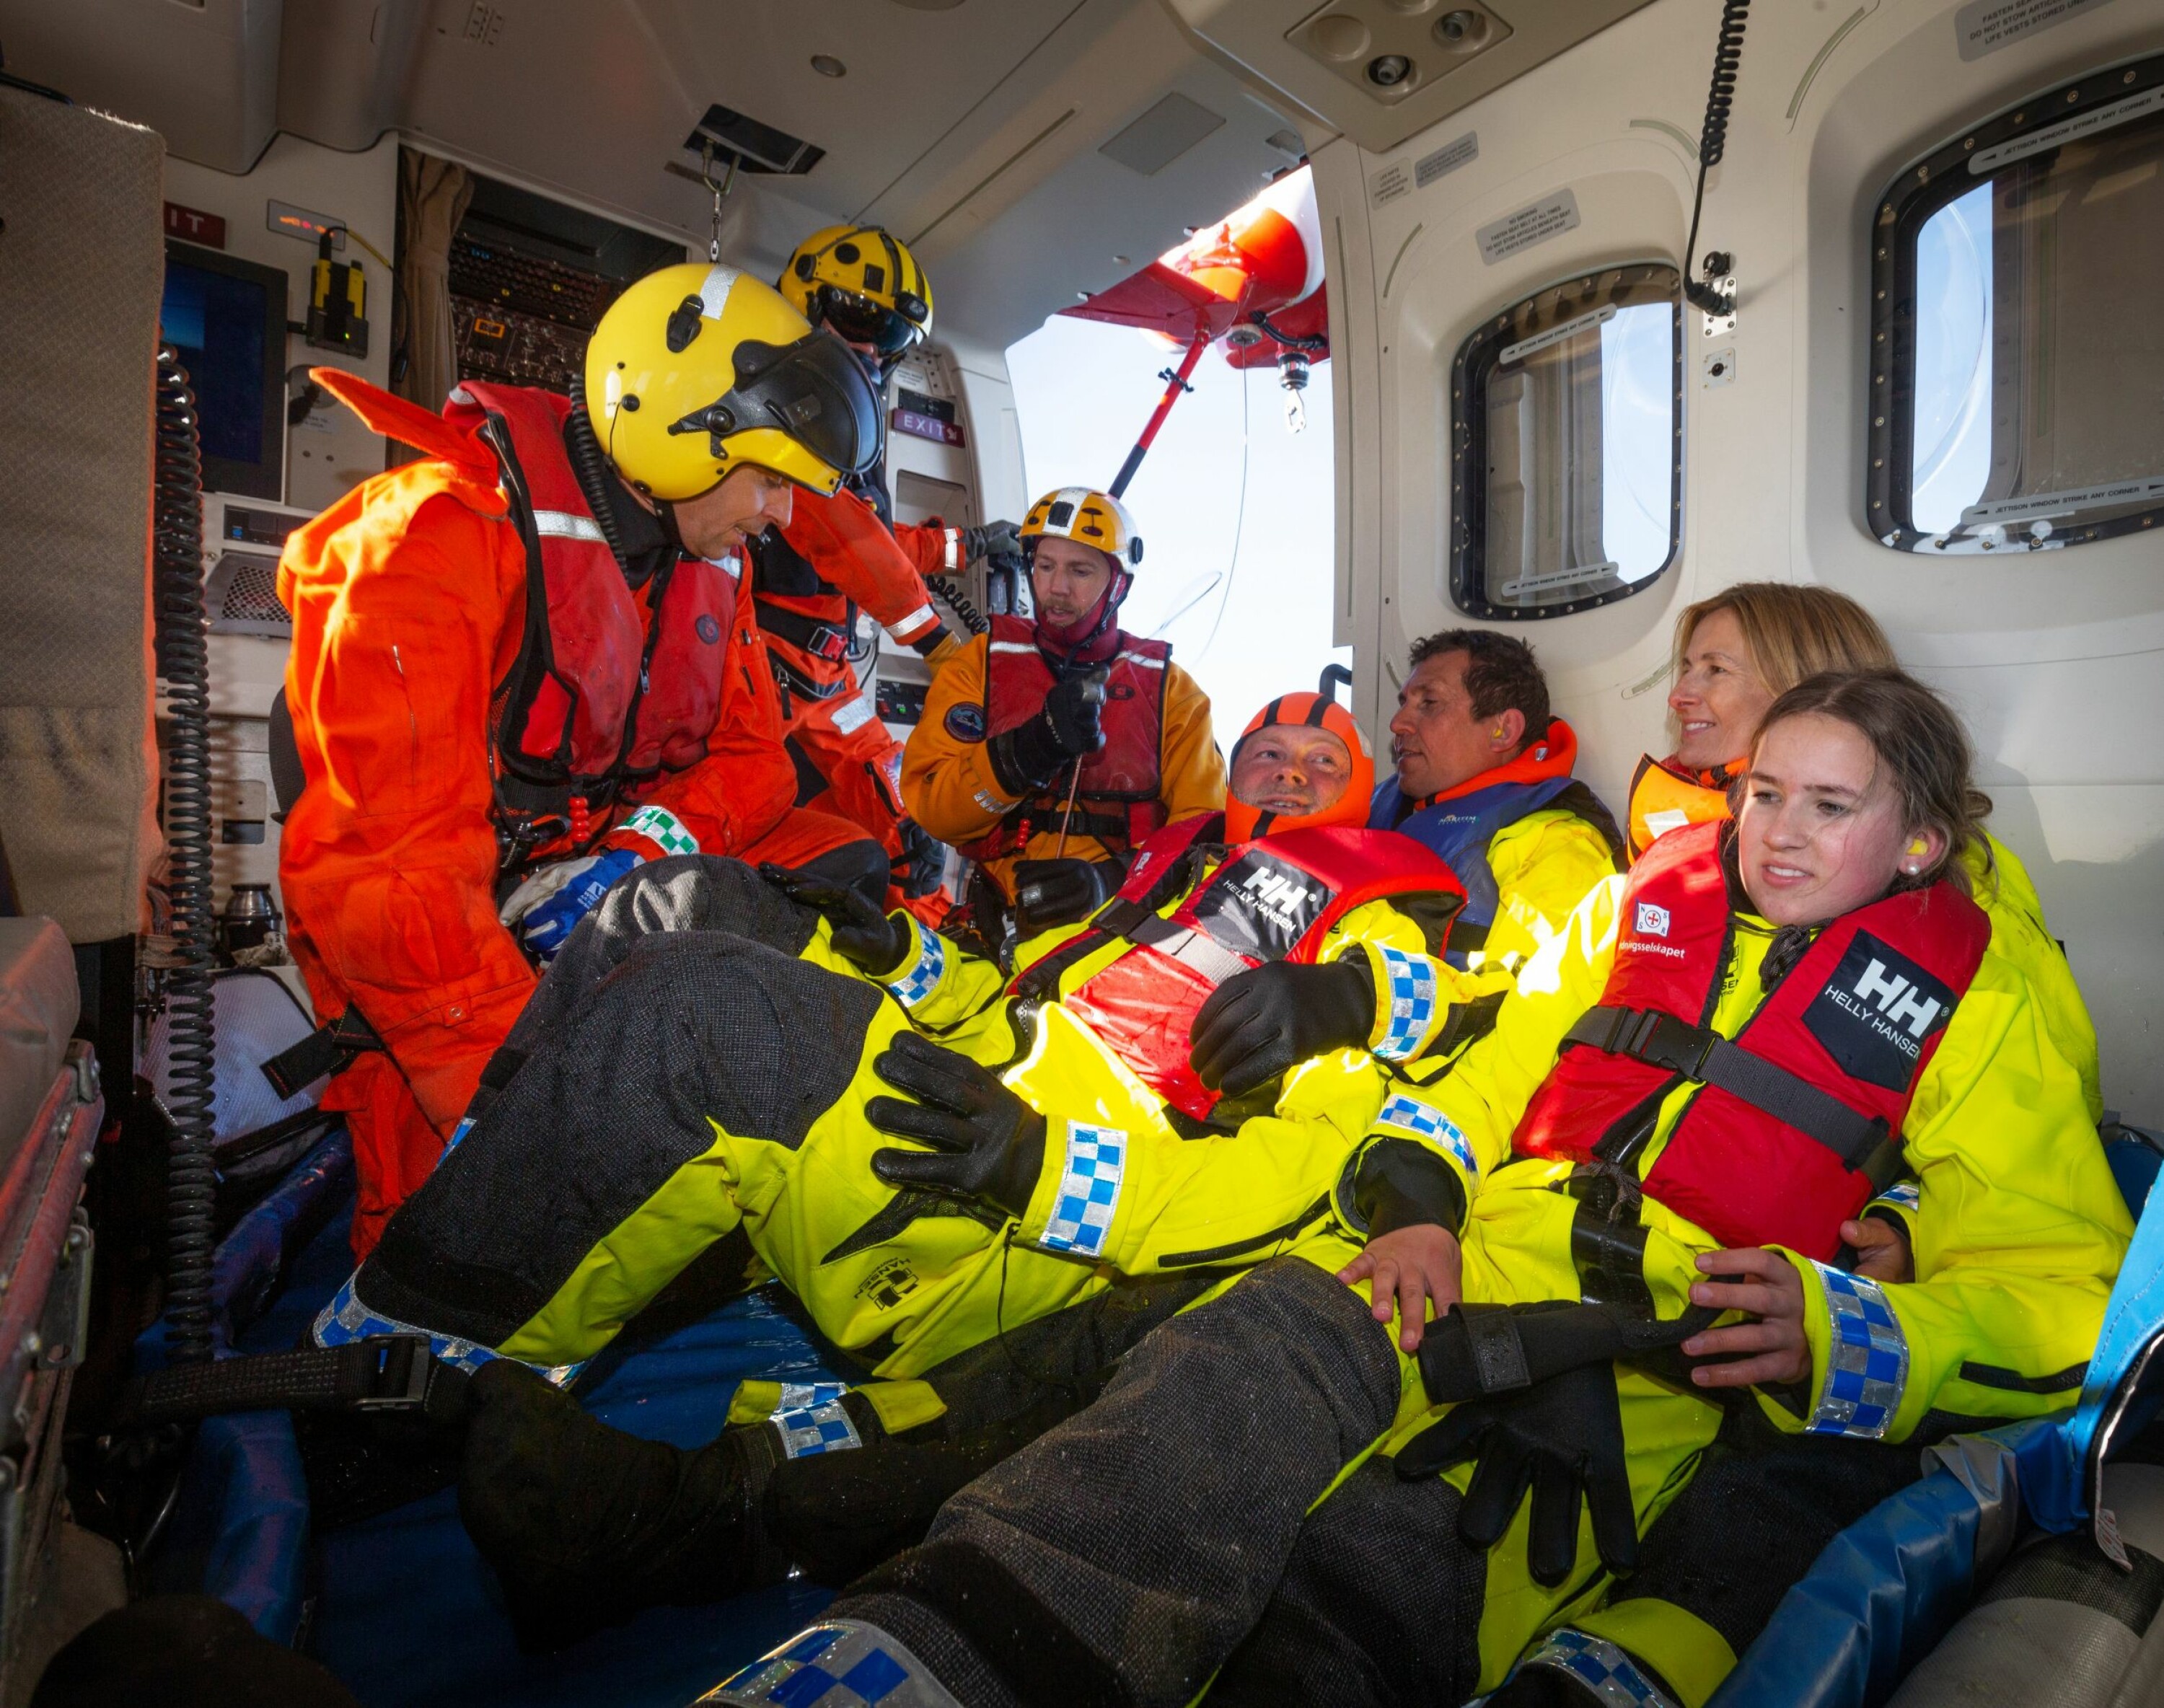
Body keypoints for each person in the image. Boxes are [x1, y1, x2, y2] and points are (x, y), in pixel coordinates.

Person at [739, 670, 2131, 1708]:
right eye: (1765, 791)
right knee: (1240, 1354)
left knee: (1384, 1575)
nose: (1776, 831)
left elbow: (2069, 1278)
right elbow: (1493, 1064)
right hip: (1471, 1253)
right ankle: (928, 1654)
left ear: (1923, 843)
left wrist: (1850, 1327)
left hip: (1658, 1359)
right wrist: (1418, 1199)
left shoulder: (1983, 999)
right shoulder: (1647, 899)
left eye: (1831, 807)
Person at [313, 690, 1464, 1641]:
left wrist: (1042, 1167)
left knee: (705, 1013)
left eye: (1325, 758)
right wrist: (897, 950)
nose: (1292, 771)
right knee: (673, 900)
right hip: (986, 1099)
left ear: (1363, 792)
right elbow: (1015, 1019)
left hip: (1032, 1228)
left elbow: (1313, 1170)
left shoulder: (1368, 930)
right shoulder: (1166, 874)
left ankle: (379, 1420)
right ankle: (453, 1264)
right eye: (1268, 752)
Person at [275, 261, 887, 1254]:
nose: (779, 515)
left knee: (838, 860)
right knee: (471, 1230)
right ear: (683, 427)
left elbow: (757, 766)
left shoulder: (708, 566)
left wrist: (637, 853)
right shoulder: (435, 532)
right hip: (428, 948)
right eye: (770, 476)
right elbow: (387, 881)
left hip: (584, 889)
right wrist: (543, 1090)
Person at [1629, 581, 2102, 1128]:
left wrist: (1906, 1209)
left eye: (1715, 670)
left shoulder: (1960, 888)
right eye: (1686, 668)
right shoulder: (1692, 858)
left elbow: (2040, 1102)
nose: (1679, 694)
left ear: (1806, 686)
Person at [751, 224, 1024, 897]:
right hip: (754, 669)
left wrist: (970, 546)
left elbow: (873, 538)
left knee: (913, 838)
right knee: (767, 829)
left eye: (893, 338)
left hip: (825, 679)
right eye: (858, 315)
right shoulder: (771, 406)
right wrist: (940, 647)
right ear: (805, 304)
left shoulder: (849, 435)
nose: (873, 346)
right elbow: (841, 537)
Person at [902, 487, 1226, 939]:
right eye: (1045, 566)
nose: (1057, 587)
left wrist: (1111, 882)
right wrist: (1026, 753)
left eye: (1080, 570)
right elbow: (934, 812)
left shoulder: (1173, 693)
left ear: (1119, 584)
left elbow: (1203, 839)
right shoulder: (981, 663)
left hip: (1114, 932)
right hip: (992, 924)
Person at [1365, 628, 1626, 1059]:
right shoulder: (1376, 807)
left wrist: (1362, 998)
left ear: (1503, 730)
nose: (1399, 724)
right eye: (1404, 703)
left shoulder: (1557, 846)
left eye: (1428, 703)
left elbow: (1521, 1011)